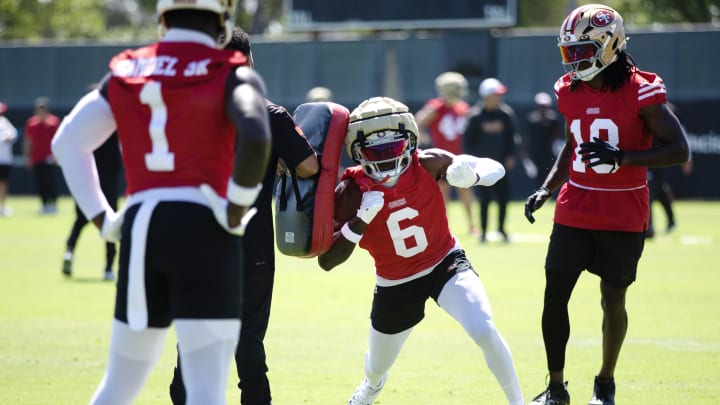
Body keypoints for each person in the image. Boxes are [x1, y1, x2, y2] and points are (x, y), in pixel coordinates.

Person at [51, 1, 272, 403]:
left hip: (142, 223)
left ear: (162, 15)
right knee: (206, 388)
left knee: (118, 385)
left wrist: (103, 219)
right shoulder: (229, 69)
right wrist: (236, 208)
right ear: (221, 17)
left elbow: (67, 143)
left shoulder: (126, 69)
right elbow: (257, 136)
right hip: (206, 225)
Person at [524, 5, 689, 405]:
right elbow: (571, 146)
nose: (574, 60)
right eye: (569, 52)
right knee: (554, 297)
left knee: (613, 300)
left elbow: (678, 149)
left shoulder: (642, 89)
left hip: (622, 211)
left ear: (609, 44)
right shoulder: (568, 90)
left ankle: (605, 382)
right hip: (574, 206)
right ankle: (557, 388)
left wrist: (624, 158)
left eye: (581, 50)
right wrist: (547, 188)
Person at [318, 96, 525, 405]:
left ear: (410, 142)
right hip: (395, 281)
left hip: (445, 262)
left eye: (394, 149)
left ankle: (517, 403)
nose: (387, 160)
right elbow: (327, 261)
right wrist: (359, 221)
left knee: (483, 329)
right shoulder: (351, 192)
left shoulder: (428, 163)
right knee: (377, 366)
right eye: (377, 152)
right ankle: (372, 386)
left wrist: (473, 174)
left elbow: (493, 168)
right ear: (359, 153)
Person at [169, 28, 319, 405]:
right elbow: (309, 167)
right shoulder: (269, 113)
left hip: (192, 241)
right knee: (248, 334)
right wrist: (281, 160)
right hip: (249, 242)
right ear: (249, 60)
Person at [415, 71, 477, 236]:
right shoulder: (436, 107)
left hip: (459, 156)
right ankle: (444, 227)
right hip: (441, 159)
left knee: (466, 190)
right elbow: (418, 121)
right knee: (443, 195)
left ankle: (472, 226)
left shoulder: (462, 107)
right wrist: (423, 134)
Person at [61, 129, 122, 281]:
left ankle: (69, 251)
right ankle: (108, 268)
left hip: (89, 183)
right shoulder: (113, 130)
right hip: (108, 184)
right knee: (110, 225)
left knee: (80, 221)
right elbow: (118, 159)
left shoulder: (88, 132)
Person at [463, 77, 517, 243]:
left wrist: (510, 155)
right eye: (495, 94)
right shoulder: (475, 116)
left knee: (503, 198)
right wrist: (472, 163)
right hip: (482, 168)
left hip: (501, 166)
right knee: (484, 200)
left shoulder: (506, 114)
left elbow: (512, 137)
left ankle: (501, 229)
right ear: (486, 95)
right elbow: (468, 141)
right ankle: (484, 232)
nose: (498, 97)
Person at [24, 96, 61, 214]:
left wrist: (57, 155)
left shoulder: (54, 122)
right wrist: (28, 157)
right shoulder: (31, 123)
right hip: (36, 158)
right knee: (40, 183)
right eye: (39, 109)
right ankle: (44, 204)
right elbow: (28, 141)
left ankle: (53, 204)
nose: (41, 111)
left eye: (43, 109)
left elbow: (58, 140)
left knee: (51, 182)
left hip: (50, 158)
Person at [521, 92, 563, 187]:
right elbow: (527, 136)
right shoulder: (531, 119)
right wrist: (525, 152)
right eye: (541, 105)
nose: (543, 108)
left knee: (549, 173)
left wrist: (556, 149)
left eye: (544, 105)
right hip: (535, 152)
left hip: (550, 153)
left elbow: (558, 135)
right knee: (538, 175)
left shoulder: (554, 119)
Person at [0, 102, 18, 217]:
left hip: (5, 160)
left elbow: (12, 135)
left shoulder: (5, 122)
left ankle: (2, 206)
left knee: (3, 183)